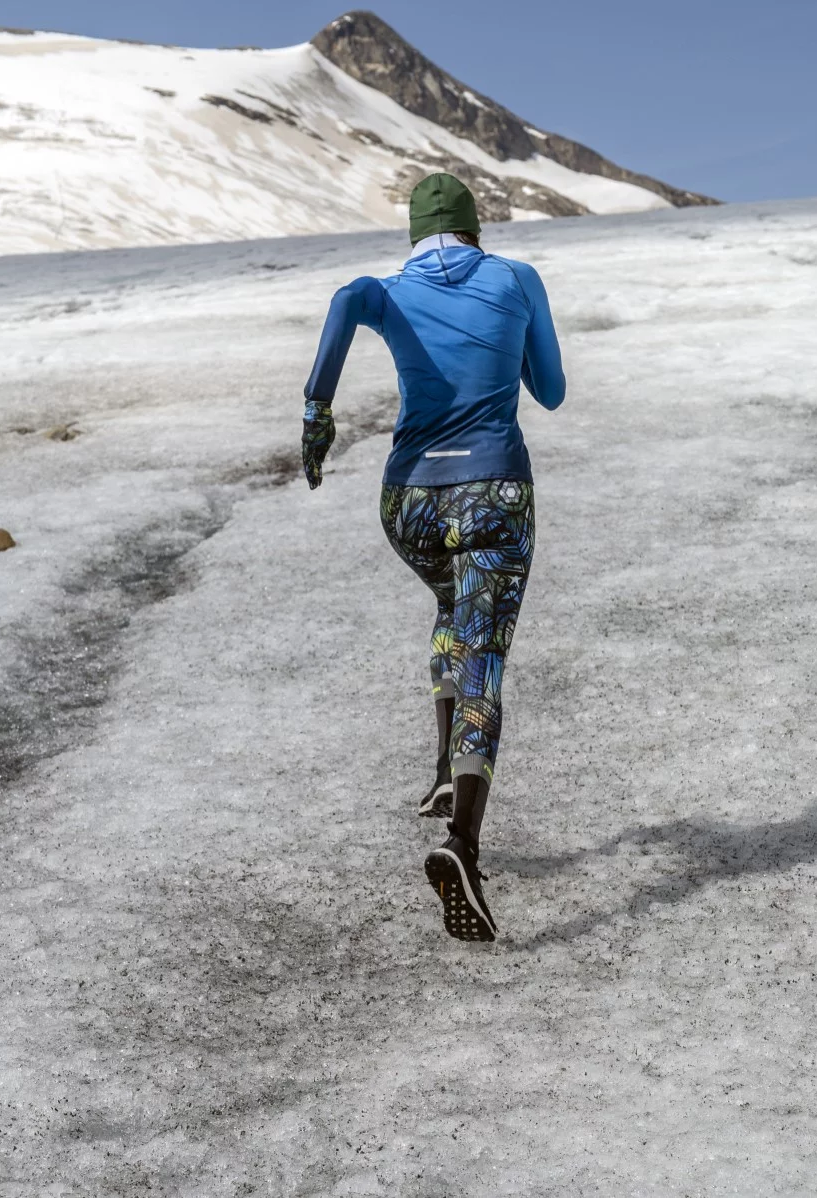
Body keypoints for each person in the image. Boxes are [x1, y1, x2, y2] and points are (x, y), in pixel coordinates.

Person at [301, 173, 565, 942]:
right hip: (493, 496)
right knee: (484, 654)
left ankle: (444, 775)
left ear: (415, 233)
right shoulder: (515, 278)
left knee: (451, 607)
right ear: (476, 226)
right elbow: (548, 391)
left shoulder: (384, 290)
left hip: (408, 503)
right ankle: (463, 846)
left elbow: (346, 298)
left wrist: (318, 413)